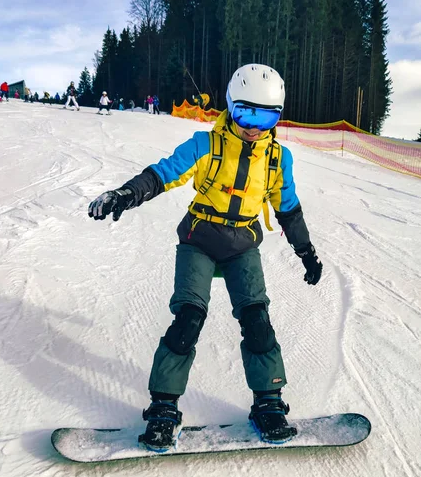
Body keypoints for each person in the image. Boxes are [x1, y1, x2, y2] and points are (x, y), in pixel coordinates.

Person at [88, 63, 323, 452]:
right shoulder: (206, 144)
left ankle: (268, 402)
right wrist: (127, 194)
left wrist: (307, 252)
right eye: (246, 113)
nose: (253, 126)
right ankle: (163, 407)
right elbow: (165, 173)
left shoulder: (278, 159)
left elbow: (288, 208)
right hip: (200, 237)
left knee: (257, 320)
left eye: (265, 117)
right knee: (188, 318)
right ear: (231, 107)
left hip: (243, 242)